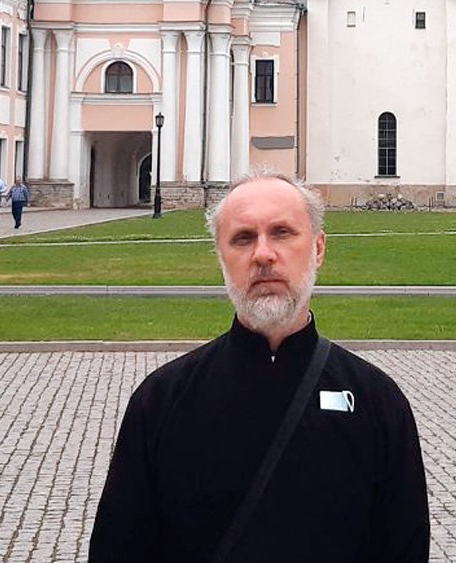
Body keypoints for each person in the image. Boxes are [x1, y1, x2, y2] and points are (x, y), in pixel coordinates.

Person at [89, 171, 430, 562]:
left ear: (318, 248)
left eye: (282, 233)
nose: (263, 254)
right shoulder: (161, 401)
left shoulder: (376, 401)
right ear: (220, 256)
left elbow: (404, 546)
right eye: (243, 238)